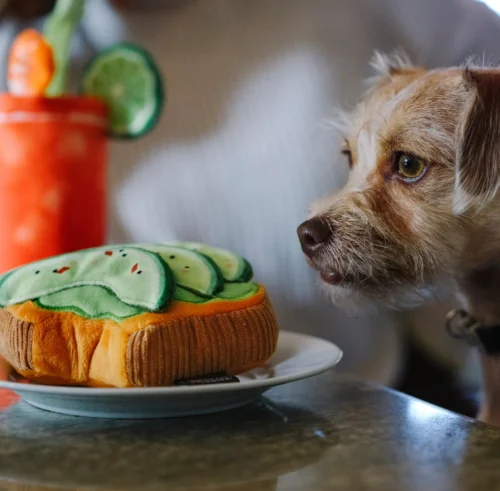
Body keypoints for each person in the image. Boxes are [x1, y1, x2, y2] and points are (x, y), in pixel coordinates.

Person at [1, 0, 499, 407]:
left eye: (407, 165)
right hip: (100, 410)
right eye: (348, 157)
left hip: (374, 403)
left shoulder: (379, 9)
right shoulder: (28, 51)